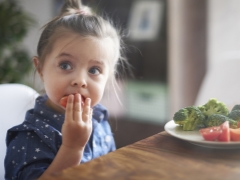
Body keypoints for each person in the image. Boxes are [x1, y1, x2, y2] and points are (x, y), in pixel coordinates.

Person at [4, 0, 126, 179]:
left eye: (94, 70)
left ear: (108, 78)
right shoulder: (30, 137)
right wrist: (72, 148)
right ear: (40, 69)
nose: (80, 81)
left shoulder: (98, 117)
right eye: (65, 65)